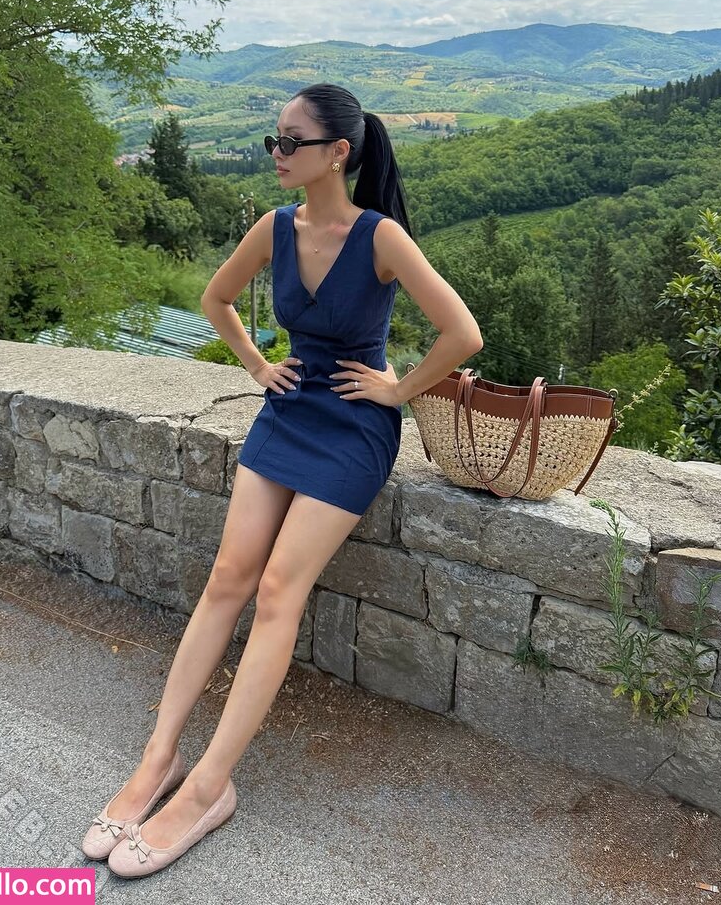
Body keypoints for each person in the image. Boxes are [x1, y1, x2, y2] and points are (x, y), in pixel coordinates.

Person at [82, 83, 483, 878]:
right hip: (289, 410)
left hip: (354, 430)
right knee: (228, 577)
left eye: (291, 142)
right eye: (275, 140)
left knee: (276, 591)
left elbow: (462, 332)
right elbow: (217, 298)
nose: (277, 153)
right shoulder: (274, 227)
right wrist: (258, 365)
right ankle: (160, 757)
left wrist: (398, 391)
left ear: (338, 152)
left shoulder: (380, 236)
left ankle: (209, 787)